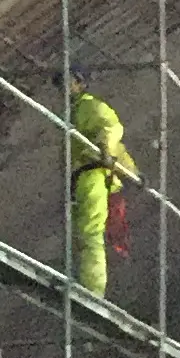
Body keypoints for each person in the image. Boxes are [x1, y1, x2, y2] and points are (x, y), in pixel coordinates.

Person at [66, 69, 137, 294]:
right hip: (87, 177)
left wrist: (105, 149)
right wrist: (133, 171)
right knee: (85, 234)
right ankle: (87, 284)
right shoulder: (76, 110)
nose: (62, 88)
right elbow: (119, 147)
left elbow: (112, 129)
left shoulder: (89, 106)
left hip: (93, 175)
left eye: (67, 81)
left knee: (90, 233)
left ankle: (93, 291)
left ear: (79, 82)